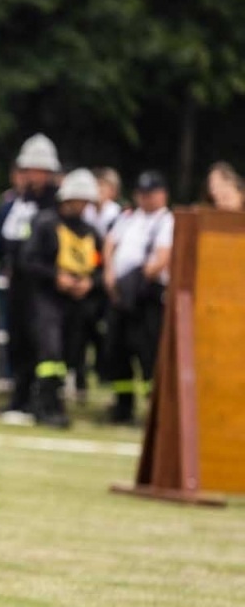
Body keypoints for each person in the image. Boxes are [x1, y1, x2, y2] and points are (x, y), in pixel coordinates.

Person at [18, 168, 102, 429]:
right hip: (47, 300)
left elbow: (100, 267)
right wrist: (56, 277)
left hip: (76, 303)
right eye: (81, 201)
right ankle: (42, 404)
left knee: (67, 354)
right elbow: (28, 261)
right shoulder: (46, 224)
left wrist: (90, 283)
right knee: (49, 353)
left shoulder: (91, 231)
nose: (84, 206)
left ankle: (55, 404)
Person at [0, 134, 60, 424]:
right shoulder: (18, 201)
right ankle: (18, 398)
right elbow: (3, 236)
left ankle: (40, 400)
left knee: (39, 343)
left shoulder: (54, 204)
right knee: (17, 341)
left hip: (42, 286)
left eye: (34, 170)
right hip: (17, 282)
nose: (29, 175)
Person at [100, 171, 172, 425]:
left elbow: (162, 256)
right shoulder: (129, 216)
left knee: (148, 352)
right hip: (121, 292)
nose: (145, 199)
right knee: (117, 350)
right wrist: (110, 275)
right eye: (141, 193)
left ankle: (155, 412)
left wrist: (138, 281)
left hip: (147, 295)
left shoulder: (166, 221)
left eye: (150, 194)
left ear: (162, 194)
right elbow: (110, 243)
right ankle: (122, 407)